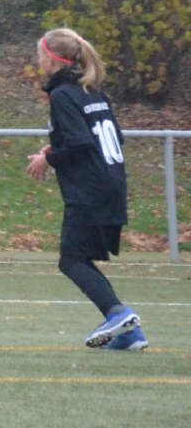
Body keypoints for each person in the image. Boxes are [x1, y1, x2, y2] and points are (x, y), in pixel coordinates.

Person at [26, 28, 144, 350]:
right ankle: (129, 334)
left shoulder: (63, 95)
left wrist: (48, 159)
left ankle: (118, 314)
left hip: (90, 189)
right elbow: (112, 138)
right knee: (79, 257)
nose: (38, 59)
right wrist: (55, 151)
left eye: (40, 54)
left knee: (71, 260)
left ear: (52, 59)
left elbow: (79, 143)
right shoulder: (92, 91)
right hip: (111, 184)